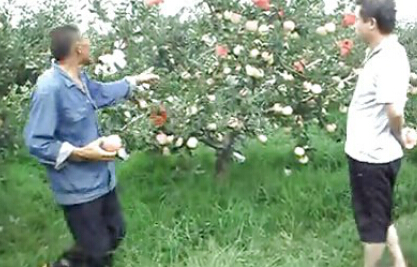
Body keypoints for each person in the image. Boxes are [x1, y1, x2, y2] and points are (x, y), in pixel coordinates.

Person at [24, 25, 159, 267]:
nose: (90, 45)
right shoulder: (50, 88)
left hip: (102, 180)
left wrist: (135, 81)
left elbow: (102, 92)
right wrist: (79, 153)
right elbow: (37, 141)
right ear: (78, 48)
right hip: (78, 190)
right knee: (98, 254)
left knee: (115, 232)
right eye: (87, 40)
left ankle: (65, 264)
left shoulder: (80, 80)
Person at [345, 1, 411, 267]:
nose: (355, 25)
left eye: (358, 20)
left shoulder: (387, 59)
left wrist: (400, 133)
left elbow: (393, 110)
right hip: (373, 152)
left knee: (372, 228)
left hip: (371, 158)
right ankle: (399, 262)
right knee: (380, 214)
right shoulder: (385, 52)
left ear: (371, 23)